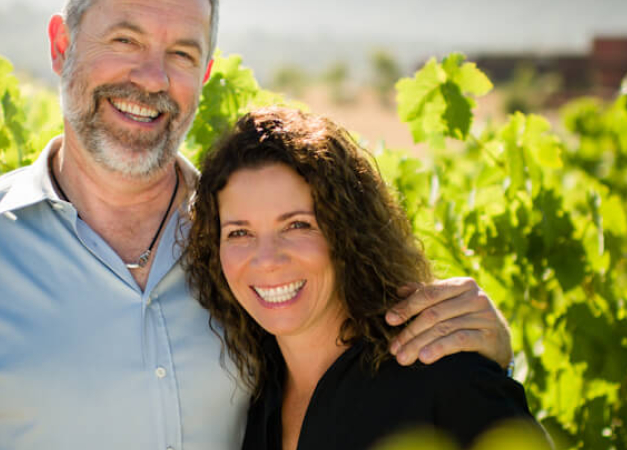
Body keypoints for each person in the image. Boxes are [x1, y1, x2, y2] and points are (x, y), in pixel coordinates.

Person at [0, 0, 516, 448]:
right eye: (125, 40)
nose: (150, 78)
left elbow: (366, 369)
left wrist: (480, 361)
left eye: (180, 52)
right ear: (61, 46)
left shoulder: (249, 260)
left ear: (203, 73)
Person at [185, 107, 546, 450]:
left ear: (347, 233)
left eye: (297, 225)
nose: (266, 260)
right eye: (238, 233)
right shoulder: (253, 396)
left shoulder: (441, 374)